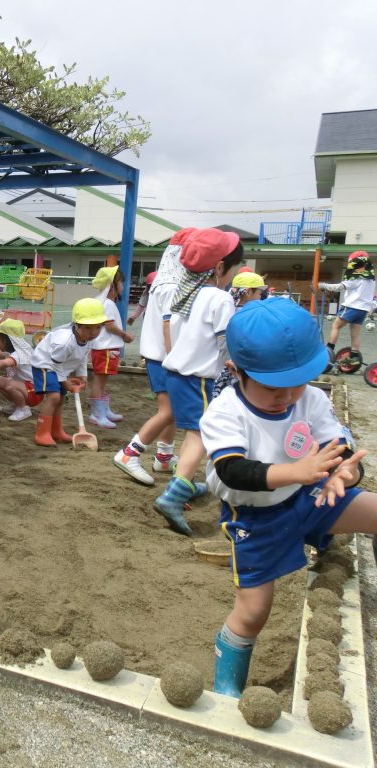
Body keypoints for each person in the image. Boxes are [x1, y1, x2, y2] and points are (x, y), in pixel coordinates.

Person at [201, 299, 375, 697]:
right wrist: (293, 472)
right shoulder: (226, 412)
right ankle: (227, 691)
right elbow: (233, 471)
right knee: (254, 611)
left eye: (298, 382)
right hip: (255, 518)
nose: (288, 396)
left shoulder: (308, 398)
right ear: (236, 371)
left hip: (311, 495)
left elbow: (340, 449)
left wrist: (345, 473)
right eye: (274, 387)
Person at [153, 228, 244, 535]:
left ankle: (187, 483)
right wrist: (238, 363)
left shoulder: (181, 292)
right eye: (234, 267)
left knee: (192, 432)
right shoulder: (219, 298)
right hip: (198, 379)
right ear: (219, 267)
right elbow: (225, 342)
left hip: (175, 374)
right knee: (200, 436)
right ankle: (174, 495)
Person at [113, 229, 196, 486]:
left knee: (171, 410)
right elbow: (169, 326)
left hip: (160, 355)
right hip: (165, 357)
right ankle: (130, 453)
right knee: (169, 410)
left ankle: (163, 457)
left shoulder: (164, 282)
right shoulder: (172, 287)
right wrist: (176, 358)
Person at [30, 298, 106, 446]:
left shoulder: (88, 339)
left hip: (60, 367)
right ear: (77, 325)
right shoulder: (65, 342)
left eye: (98, 327)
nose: (94, 332)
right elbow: (55, 362)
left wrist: (82, 375)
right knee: (53, 397)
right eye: (89, 328)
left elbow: (83, 355)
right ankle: (42, 433)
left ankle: (56, 431)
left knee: (61, 399)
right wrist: (65, 382)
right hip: (45, 364)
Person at [87, 265, 134, 428]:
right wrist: (124, 335)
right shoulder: (107, 303)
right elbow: (109, 325)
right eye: (120, 282)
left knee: (102, 381)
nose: (123, 286)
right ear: (111, 285)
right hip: (104, 348)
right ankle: (97, 413)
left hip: (106, 348)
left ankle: (103, 410)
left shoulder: (106, 302)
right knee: (99, 381)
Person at [212, 272, 269, 398]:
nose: (261, 297)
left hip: (220, 368)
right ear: (248, 292)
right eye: (259, 293)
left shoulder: (227, 308)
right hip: (240, 366)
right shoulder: (253, 314)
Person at [319, 250, 375, 367]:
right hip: (362, 310)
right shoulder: (371, 280)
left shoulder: (356, 278)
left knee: (336, 326)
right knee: (354, 335)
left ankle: (329, 350)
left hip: (351, 307)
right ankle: (354, 356)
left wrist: (324, 285)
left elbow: (340, 287)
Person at [0, 318, 41, 422]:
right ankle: (16, 404)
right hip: (27, 389)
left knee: (9, 386)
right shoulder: (20, 350)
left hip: (34, 391)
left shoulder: (18, 354)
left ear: (4, 340)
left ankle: (23, 409)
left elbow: (6, 362)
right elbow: (5, 356)